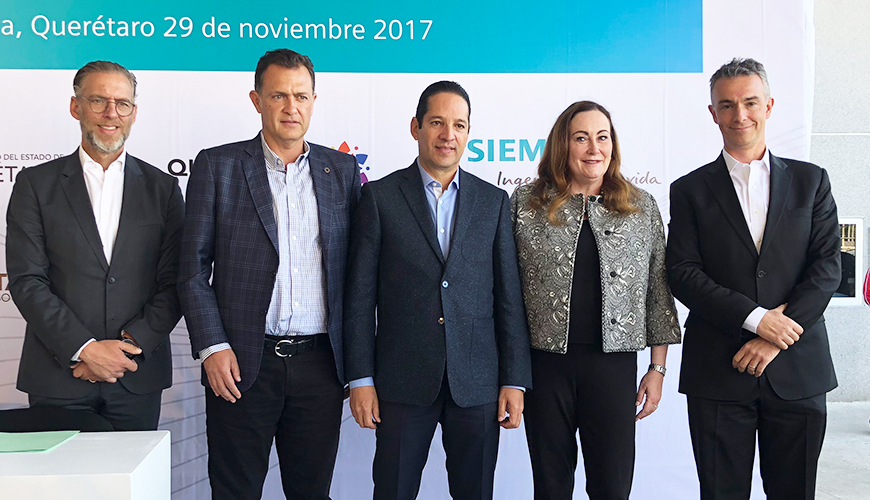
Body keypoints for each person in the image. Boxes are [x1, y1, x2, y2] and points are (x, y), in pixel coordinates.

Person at [177, 49, 361, 499]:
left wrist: (359, 365)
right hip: (240, 363)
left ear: (314, 101)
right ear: (257, 100)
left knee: (311, 492)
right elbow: (192, 270)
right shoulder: (218, 166)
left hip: (321, 366)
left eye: (301, 96)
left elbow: (358, 273)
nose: (291, 107)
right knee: (235, 492)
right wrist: (212, 347)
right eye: (278, 95)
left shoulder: (341, 170)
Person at [343, 81, 532, 500]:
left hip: (478, 383)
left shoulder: (494, 201)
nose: (449, 135)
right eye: (437, 123)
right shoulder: (379, 198)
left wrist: (515, 380)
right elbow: (359, 299)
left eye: (459, 125)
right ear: (416, 127)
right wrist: (360, 378)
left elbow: (509, 299)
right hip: (401, 380)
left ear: (468, 133)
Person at [666, 57, 840, 499]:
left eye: (749, 102)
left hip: (798, 370)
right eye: (726, 105)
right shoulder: (688, 190)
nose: (739, 114)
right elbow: (683, 273)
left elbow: (826, 268)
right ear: (713, 113)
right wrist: (757, 319)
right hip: (718, 371)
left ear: (769, 106)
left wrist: (776, 335)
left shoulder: (812, 181)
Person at [510, 100, 681, 499]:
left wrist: (657, 369)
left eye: (602, 137)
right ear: (562, 145)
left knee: (612, 487)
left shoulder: (640, 206)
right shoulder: (526, 204)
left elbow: (658, 292)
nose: (594, 148)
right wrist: (511, 374)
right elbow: (507, 294)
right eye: (581, 138)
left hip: (613, 369)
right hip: (544, 368)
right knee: (550, 487)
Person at [5, 60, 184, 430]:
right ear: (76, 107)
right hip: (58, 376)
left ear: (134, 113)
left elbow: (175, 281)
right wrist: (85, 349)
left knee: (133, 471)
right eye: (98, 100)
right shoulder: (35, 185)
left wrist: (126, 348)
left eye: (122, 103)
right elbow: (27, 280)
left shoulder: (163, 189)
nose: (111, 113)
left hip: (135, 376)